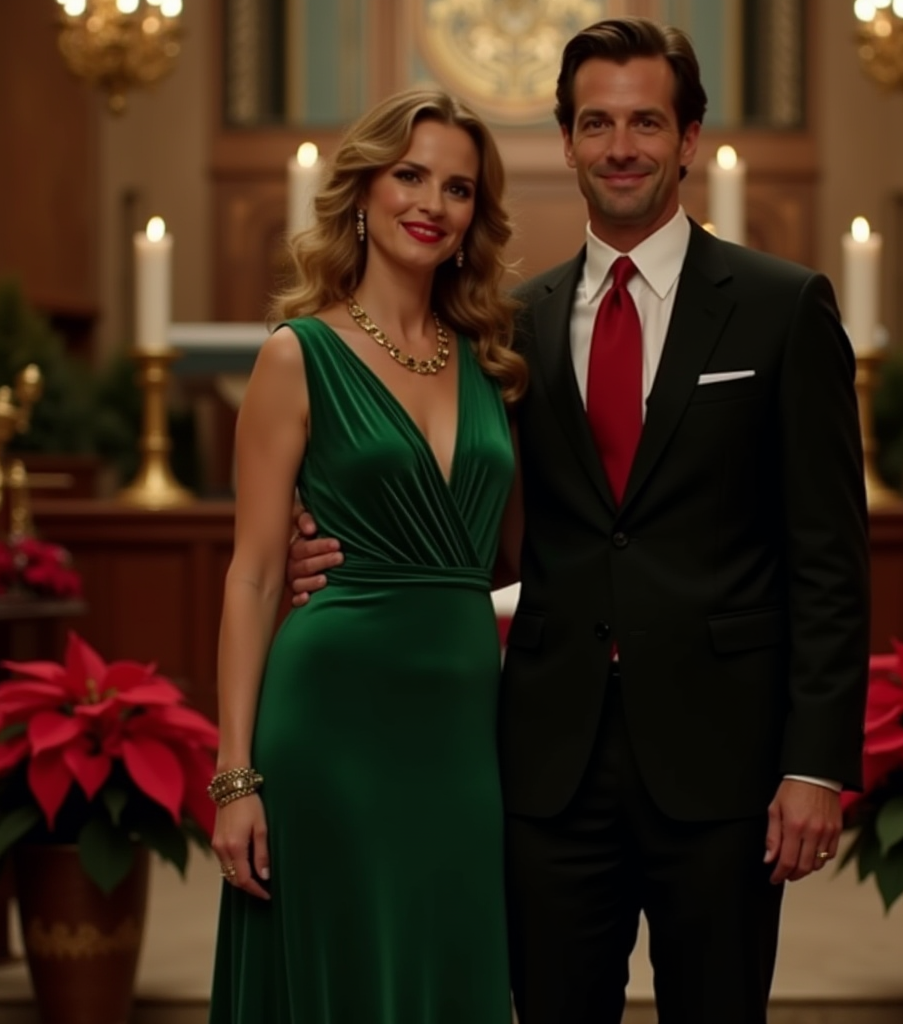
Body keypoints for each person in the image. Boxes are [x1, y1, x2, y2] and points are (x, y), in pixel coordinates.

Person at [288, 17, 870, 1024]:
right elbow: (460, 507)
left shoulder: (783, 308)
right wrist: (327, 548)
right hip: (546, 766)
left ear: (689, 138)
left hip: (722, 761)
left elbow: (828, 556)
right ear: (564, 141)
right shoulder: (504, 325)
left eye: (646, 121)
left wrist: (813, 762)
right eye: (595, 122)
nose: (620, 146)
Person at [207, 87, 527, 1024]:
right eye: (410, 175)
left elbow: (509, 561)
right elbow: (256, 572)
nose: (431, 202)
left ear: (475, 218)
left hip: (462, 735)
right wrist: (236, 777)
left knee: (448, 961)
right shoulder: (296, 356)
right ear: (364, 190)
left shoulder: (492, 365)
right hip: (332, 723)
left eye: (458, 188)